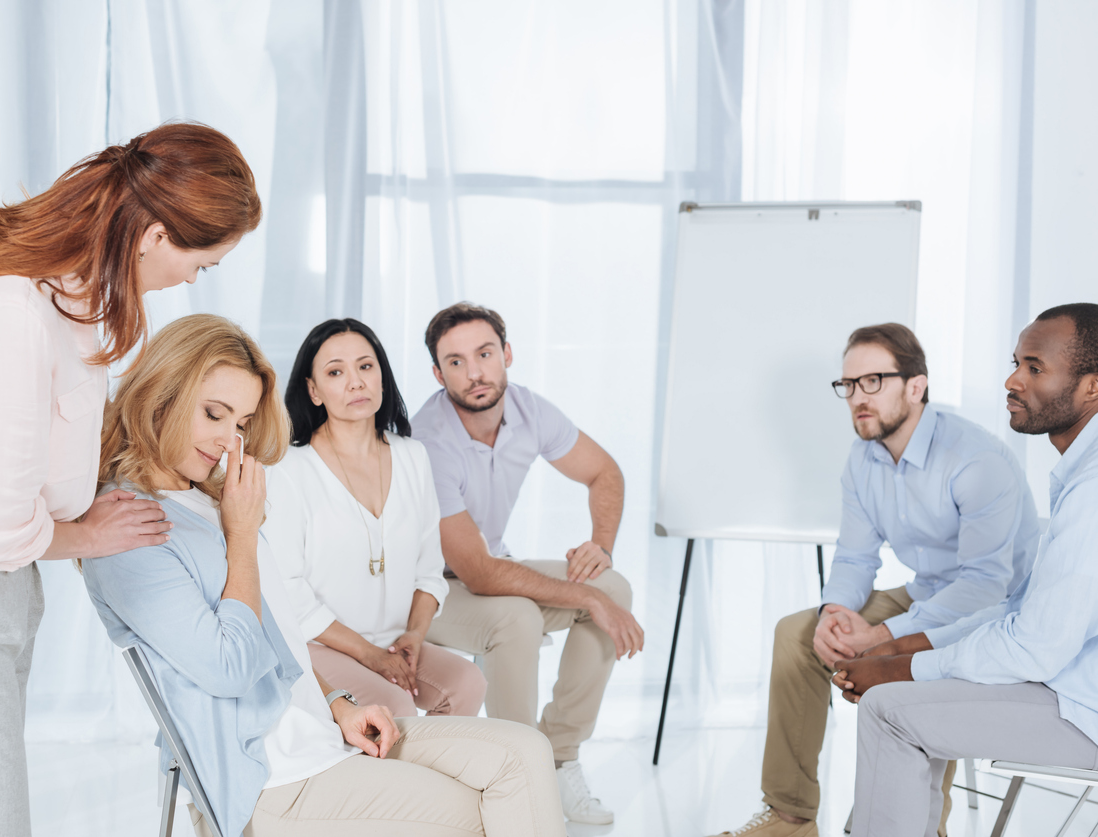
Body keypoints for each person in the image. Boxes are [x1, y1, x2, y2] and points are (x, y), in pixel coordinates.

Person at [0, 123, 261, 837]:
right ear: (156, 235)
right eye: (203, 263)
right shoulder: (14, 310)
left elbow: (49, 468)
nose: (194, 281)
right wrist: (90, 535)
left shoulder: (73, 303)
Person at [81, 314, 565, 837]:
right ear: (161, 395)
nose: (228, 441)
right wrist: (241, 533)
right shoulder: (130, 525)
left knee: (525, 752)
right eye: (214, 414)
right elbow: (230, 669)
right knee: (486, 810)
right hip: (273, 779)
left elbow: (278, 640)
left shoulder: (209, 499)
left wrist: (335, 702)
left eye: (240, 423)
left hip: (321, 736)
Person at [710, 323, 1039, 837]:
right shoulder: (863, 457)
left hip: (997, 612)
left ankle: (919, 825)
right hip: (929, 593)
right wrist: (834, 614)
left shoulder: (977, 460)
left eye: (873, 381)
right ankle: (790, 817)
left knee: (912, 659)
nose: (857, 398)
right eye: (848, 384)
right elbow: (855, 557)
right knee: (796, 634)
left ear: (916, 386)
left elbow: (982, 588)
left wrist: (885, 635)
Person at [834, 303, 1098, 837]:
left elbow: (1032, 645)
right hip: (1068, 678)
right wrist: (908, 646)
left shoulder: (1088, 489)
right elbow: (1020, 610)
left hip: (1082, 704)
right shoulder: (1078, 475)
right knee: (886, 687)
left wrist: (902, 666)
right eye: (1015, 363)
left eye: (1034, 368)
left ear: (1092, 387)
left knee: (888, 710)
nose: (1012, 380)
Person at [410, 301, 644, 825]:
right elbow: (476, 573)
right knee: (517, 618)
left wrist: (601, 547)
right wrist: (587, 597)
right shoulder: (429, 441)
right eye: (455, 361)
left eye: (485, 354)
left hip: (488, 567)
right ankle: (518, 774)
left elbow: (605, 472)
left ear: (507, 354)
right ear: (438, 374)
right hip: (427, 590)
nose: (475, 372)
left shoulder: (529, 410)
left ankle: (558, 758)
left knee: (614, 587)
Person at [263, 318, 486, 717]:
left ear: (382, 377)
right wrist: (368, 654)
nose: (356, 382)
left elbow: (429, 572)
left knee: (468, 682)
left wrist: (414, 635)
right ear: (313, 391)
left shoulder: (412, 456)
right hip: (319, 645)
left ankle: (439, 763)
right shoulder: (289, 468)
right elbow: (288, 590)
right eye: (336, 372)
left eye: (366, 366)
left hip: (394, 642)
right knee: (394, 706)